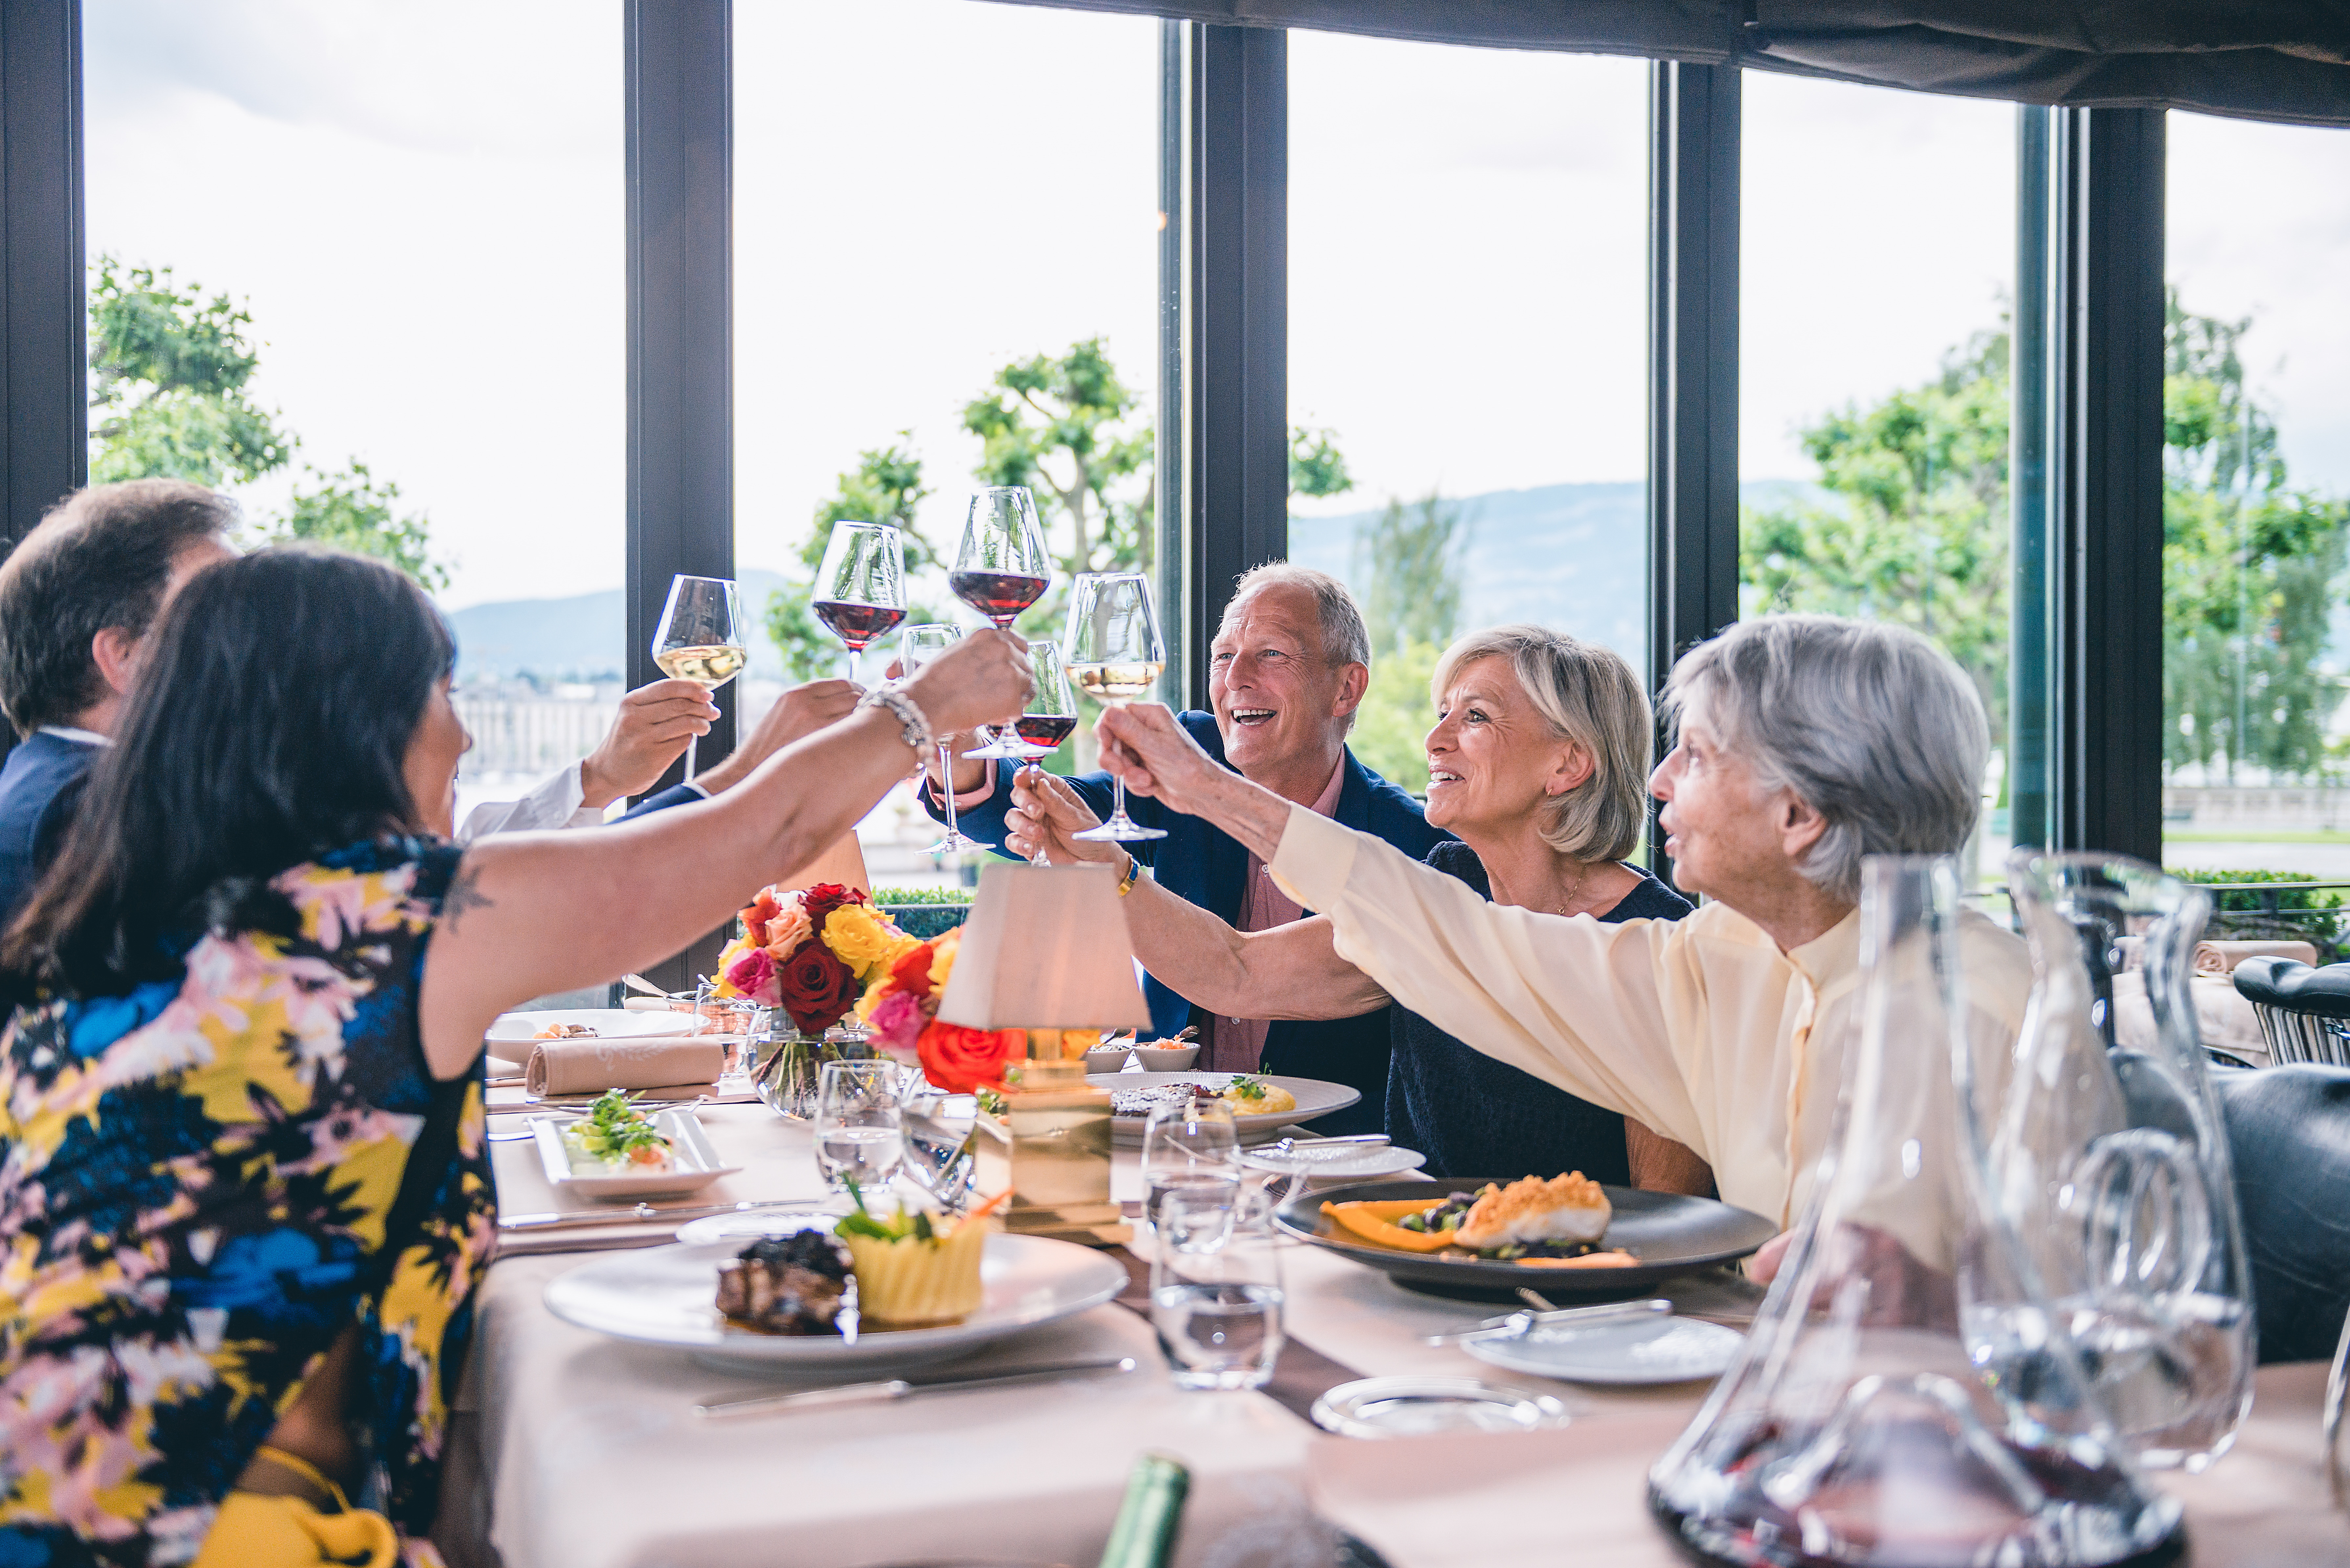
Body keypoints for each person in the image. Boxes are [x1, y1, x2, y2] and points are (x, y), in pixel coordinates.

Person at [0, 546, 1030, 1566]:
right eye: (442, 692)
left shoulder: (145, 912)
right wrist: (923, 707)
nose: (464, 732)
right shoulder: (377, 923)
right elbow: (761, 840)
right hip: (184, 1530)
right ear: (350, 722)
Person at [1085, 614, 2032, 1271]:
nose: (1659, 781)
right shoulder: (1718, 958)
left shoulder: (1972, 1004)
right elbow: (1450, 938)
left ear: (1799, 813)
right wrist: (1201, 794)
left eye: (1699, 755)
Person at [1010, 625, 1711, 1191]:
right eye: (1442, 714)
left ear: (1567, 765)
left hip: (1567, 1296)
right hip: (1407, 1258)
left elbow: (1667, 1212)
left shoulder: (1656, 942)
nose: (1435, 740)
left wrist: (1200, 784)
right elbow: (1236, 971)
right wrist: (1104, 868)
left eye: (1474, 717)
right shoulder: (1452, 878)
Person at [922, 564, 1447, 1134]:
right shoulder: (1195, 749)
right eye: (1224, 656)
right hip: (1161, 1132)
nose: (1236, 679)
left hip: (1329, 1156)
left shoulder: (1414, 845)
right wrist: (961, 752)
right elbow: (1063, 814)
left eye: (1272, 654)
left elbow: (1240, 972)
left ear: (1346, 689)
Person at [0, 479, 238, 921]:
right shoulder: (99, 809)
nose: (252, 640)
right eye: (220, 614)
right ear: (125, 657)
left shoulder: (47, 780)